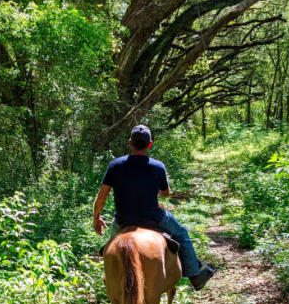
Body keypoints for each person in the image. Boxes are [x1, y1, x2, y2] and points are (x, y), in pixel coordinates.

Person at [92, 124, 216, 291]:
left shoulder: (115, 165)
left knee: (110, 248)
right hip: (154, 219)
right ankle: (195, 274)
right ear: (149, 144)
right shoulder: (158, 166)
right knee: (182, 234)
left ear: (131, 143)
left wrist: (96, 217)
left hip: (123, 220)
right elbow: (165, 194)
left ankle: (109, 279)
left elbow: (102, 196)